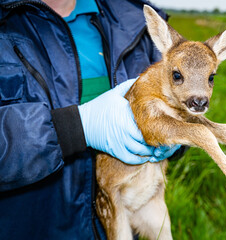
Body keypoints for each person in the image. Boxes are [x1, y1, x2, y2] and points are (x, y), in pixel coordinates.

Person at [0, 0, 185, 239]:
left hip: (124, 223)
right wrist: (73, 128)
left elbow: (173, 99)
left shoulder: (134, 18)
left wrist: (175, 138)